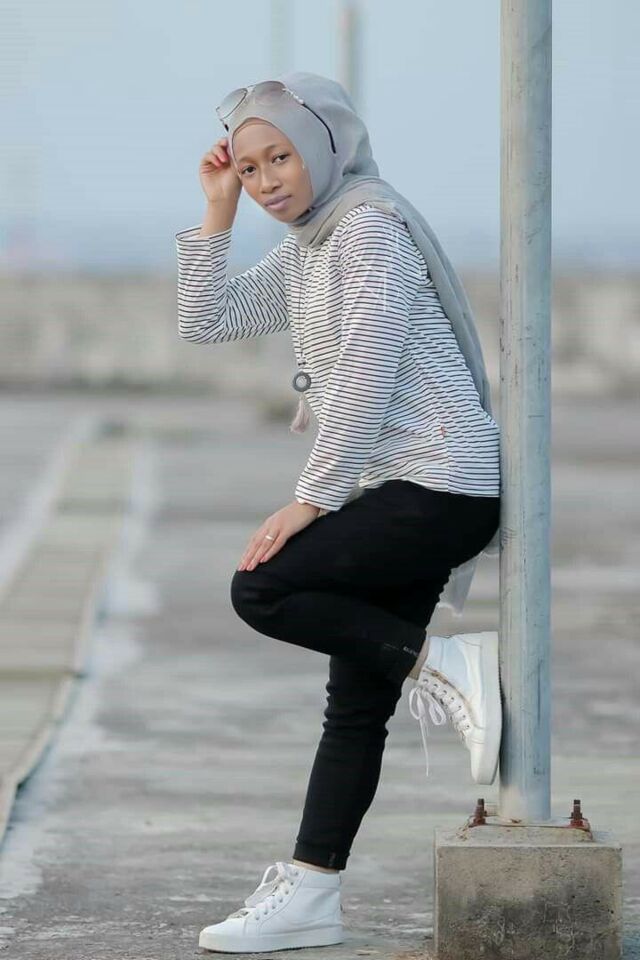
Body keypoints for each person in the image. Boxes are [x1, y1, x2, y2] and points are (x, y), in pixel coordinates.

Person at [175, 71, 502, 954]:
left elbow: (366, 375)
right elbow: (208, 320)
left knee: (264, 588)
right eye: (249, 168)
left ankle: (441, 663)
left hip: (439, 484)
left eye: (279, 157)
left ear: (324, 147)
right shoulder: (309, 246)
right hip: (396, 489)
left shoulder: (368, 230)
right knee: (354, 705)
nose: (266, 181)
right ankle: (313, 894)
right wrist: (216, 212)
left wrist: (310, 501)